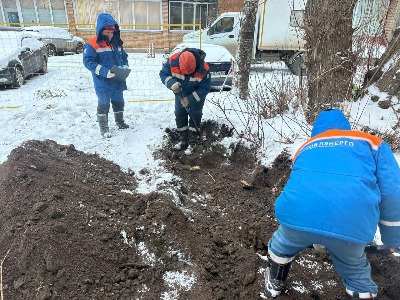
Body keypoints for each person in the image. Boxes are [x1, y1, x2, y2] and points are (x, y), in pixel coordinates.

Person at [264, 109, 400, 299]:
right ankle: (360, 291)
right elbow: (393, 192)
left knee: (281, 245)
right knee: (355, 271)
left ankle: (273, 283)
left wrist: (317, 237)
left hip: (296, 215)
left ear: (316, 132)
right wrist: (394, 239)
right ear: (346, 128)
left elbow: (311, 189)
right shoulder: (373, 143)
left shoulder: (306, 146)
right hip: (352, 224)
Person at [83, 13, 129, 138]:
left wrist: (124, 67)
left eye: (112, 32)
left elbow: (124, 57)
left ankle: (120, 122)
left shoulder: (117, 43)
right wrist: (105, 72)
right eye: (107, 32)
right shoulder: (92, 44)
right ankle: (104, 128)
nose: (110, 35)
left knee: (119, 102)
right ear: (101, 30)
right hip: (102, 81)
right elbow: (88, 62)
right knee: (103, 104)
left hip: (117, 80)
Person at [160, 48, 211, 155]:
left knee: (195, 115)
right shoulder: (173, 61)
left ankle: (193, 141)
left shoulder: (203, 69)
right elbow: (163, 74)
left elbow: (205, 89)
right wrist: (172, 83)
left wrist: (190, 99)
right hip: (180, 94)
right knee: (179, 114)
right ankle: (183, 138)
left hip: (196, 96)